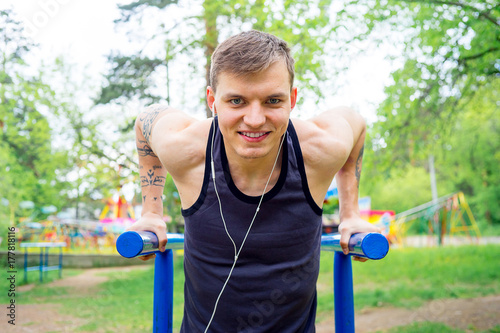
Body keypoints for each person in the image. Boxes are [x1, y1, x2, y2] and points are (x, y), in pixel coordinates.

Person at [128, 30, 380, 332]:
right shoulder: (187, 150)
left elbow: (355, 122)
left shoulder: (317, 151)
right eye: (237, 101)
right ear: (213, 100)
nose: (255, 119)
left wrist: (350, 215)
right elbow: (146, 120)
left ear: (293, 99)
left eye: (273, 101)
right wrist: (151, 214)